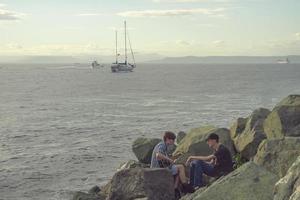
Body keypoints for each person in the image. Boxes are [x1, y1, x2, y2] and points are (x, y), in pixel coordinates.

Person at [150, 131, 189, 196]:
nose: (174, 141)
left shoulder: (163, 146)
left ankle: (175, 189)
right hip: (158, 169)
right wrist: (170, 160)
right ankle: (185, 187)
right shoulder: (162, 145)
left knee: (178, 171)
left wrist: (175, 157)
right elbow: (158, 155)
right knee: (181, 167)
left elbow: (164, 160)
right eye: (173, 140)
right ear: (167, 139)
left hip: (160, 167)